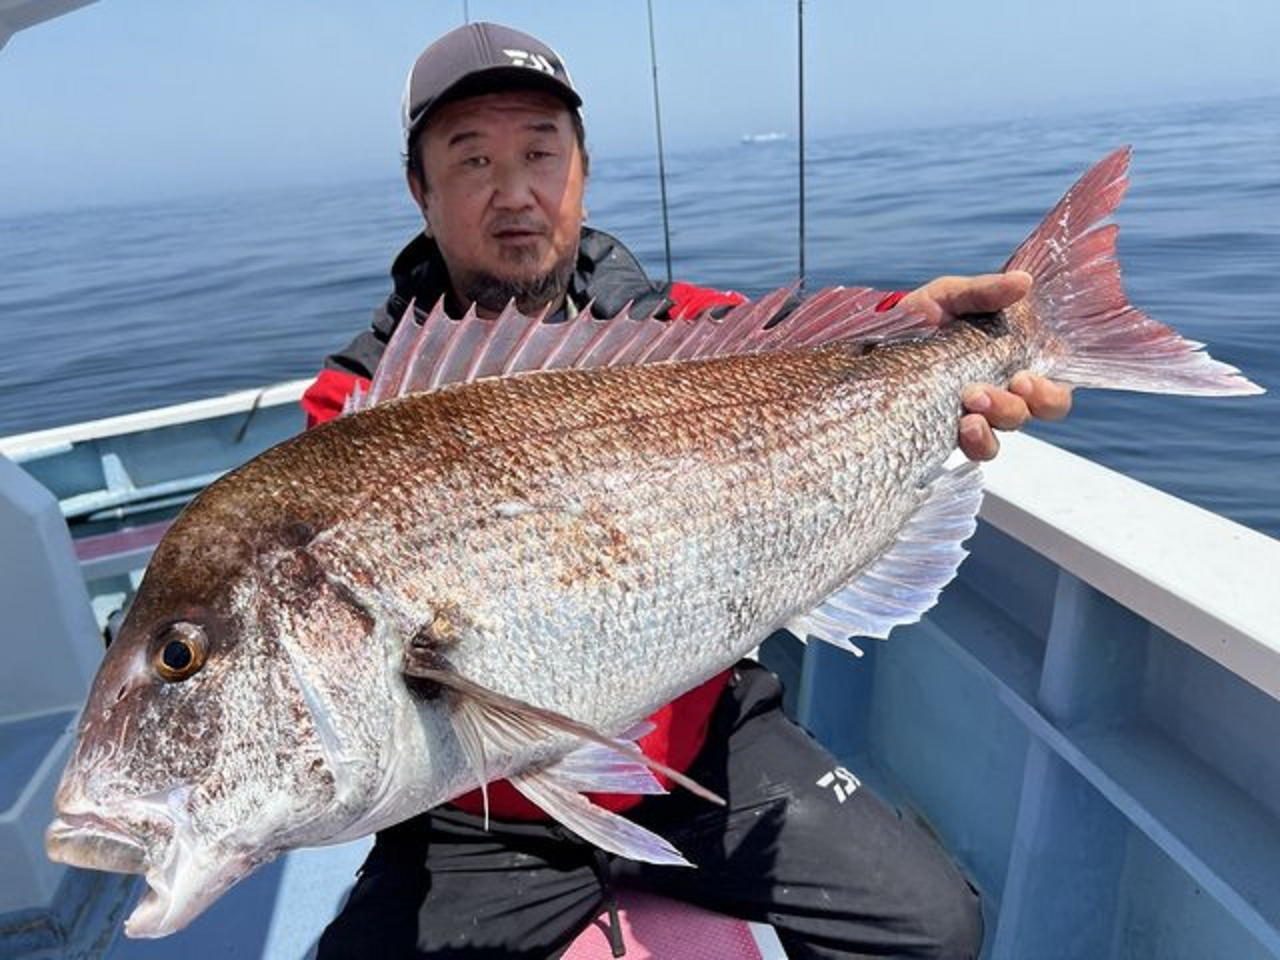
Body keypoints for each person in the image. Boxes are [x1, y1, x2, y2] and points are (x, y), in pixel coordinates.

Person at [303, 22, 1071, 960]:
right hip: (484, 812)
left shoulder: (679, 332)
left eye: (541, 152)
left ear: (582, 170)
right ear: (419, 190)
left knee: (933, 926)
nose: (515, 192)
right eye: (472, 160)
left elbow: (796, 348)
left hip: (697, 752)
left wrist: (927, 334)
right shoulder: (358, 405)